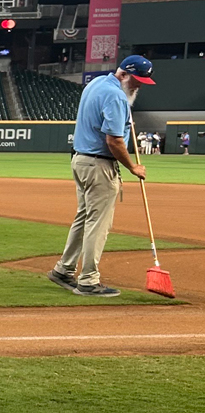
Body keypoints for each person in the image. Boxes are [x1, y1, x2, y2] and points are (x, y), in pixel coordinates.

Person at [48, 56, 153, 297]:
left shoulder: (97, 83)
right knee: (98, 223)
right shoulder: (116, 96)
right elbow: (114, 140)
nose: (139, 85)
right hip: (99, 165)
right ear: (124, 74)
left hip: (81, 161)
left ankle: (64, 269)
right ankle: (88, 280)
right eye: (137, 80)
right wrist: (132, 167)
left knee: (84, 217)